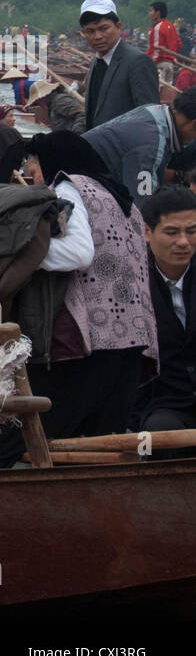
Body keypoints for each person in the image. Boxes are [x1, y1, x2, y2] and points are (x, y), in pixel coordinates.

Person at [0, 131, 157, 469]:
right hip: (131, 348)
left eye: (34, 170)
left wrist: (4, 252)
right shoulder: (124, 201)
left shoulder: (68, 187)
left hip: (81, 349)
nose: (34, 178)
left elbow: (77, 253)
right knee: (92, 454)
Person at [136, 186, 196, 456]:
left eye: (192, 231)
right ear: (147, 232)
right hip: (165, 403)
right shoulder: (132, 282)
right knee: (156, 438)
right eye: (172, 232)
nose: (183, 242)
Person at [82, 97, 196, 200]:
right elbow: (143, 210)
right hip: (78, 190)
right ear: (194, 125)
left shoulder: (154, 110)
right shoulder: (151, 145)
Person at [79, 0, 160, 129]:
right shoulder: (95, 63)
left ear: (118, 26)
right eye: (90, 31)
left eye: (103, 28)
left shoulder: (137, 61)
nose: (97, 36)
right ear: (84, 33)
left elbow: (150, 119)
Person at [148, 0, 183, 82]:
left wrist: (149, 63)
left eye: (151, 11)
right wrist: (171, 56)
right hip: (170, 64)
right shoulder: (171, 25)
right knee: (166, 92)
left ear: (157, 13)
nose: (149, 13)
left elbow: (157, 50)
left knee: (156, 90)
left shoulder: (158, 28)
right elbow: (179, 44)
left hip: (160, 65)